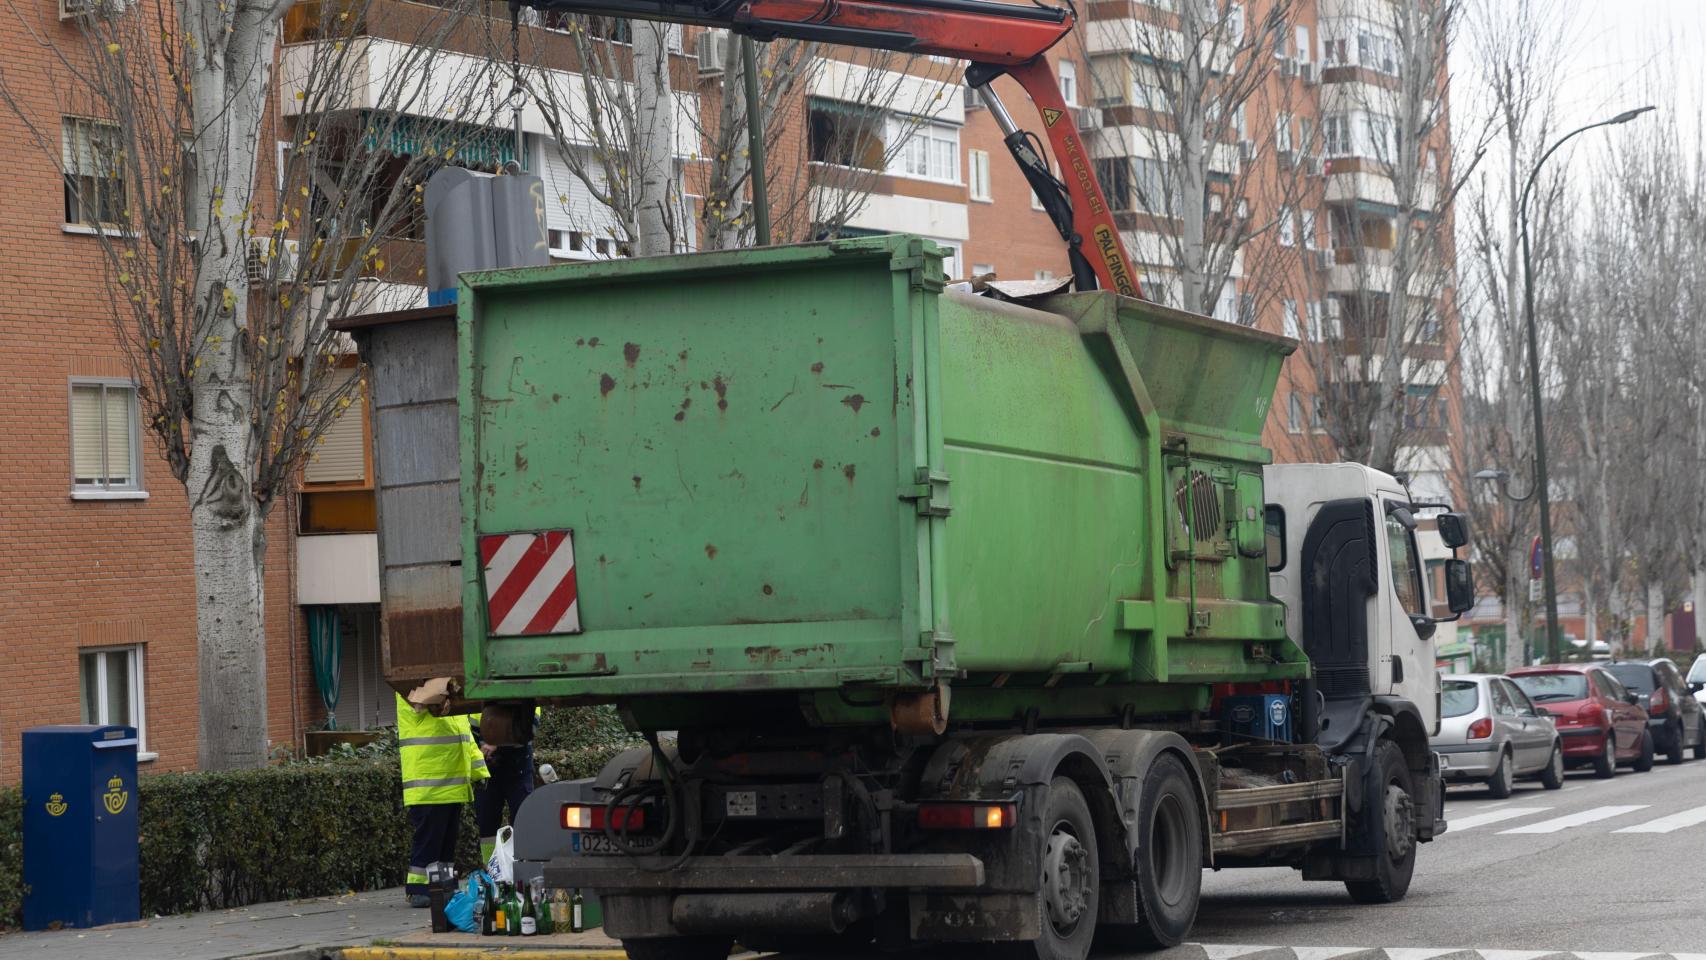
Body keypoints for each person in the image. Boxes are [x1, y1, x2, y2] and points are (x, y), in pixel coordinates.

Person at [397, 692, 488, 907]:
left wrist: (480, 771)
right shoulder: (413, 690)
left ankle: (443, 887)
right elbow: (421, 701)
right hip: (429, 783)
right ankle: (418, 890)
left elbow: (466, 741)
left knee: (446, 844)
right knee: (429, 841)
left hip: (451, 784)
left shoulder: (453, 705)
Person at [473, 705, 539, 862]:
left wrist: (496, 744)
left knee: (523, 820)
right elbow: (467, 732)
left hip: (517, 767)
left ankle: (524, 867)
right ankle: (491, 869)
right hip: (488, 768)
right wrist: (480, 749)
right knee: (486, 825)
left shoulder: (525, 690)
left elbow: (530, 727)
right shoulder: (476, 697)